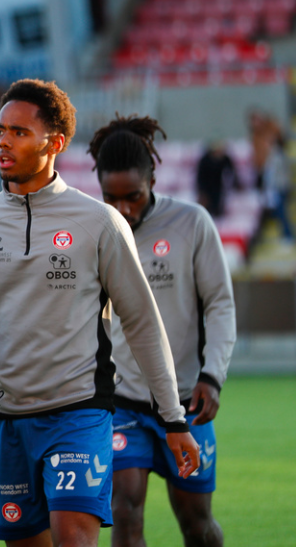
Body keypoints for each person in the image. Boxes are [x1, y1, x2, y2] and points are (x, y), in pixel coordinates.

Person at [0, 79, 200, 547]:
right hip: (5, 420)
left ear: (55, 143)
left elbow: (141, 321)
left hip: (78, 412)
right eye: (0, 130)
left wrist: (173, 418)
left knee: (73, 539)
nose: (3, 141)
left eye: (19, 132)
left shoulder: (98, 221)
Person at [89, 114, 236, 547]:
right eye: (110, 198)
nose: (123, 210)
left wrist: (213, 375)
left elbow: (220, 305)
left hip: (188, 400)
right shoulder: (92, 231)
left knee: (197, 523)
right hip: (122, 403)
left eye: (132, 196)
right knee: (124, 511)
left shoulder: (192, 224)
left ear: (153, 177)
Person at [195, 140, 240, 218]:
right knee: (207, 211)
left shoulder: (225, 159)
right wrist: (201, 191)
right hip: (206, 189)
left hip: (219, 188)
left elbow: (232, 172)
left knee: (218, 210)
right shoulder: (204, 160)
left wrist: (236, 184)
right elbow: (200, 177)